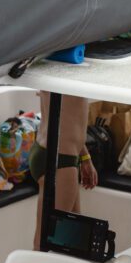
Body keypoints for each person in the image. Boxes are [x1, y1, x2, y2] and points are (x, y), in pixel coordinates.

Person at [32, 92, 99, 248]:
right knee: (48, 240)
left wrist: (85, 157)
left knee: (73, 236)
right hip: (61, 159)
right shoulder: (76, 71)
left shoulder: (59, 72)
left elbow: (67, 118)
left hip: (52, 152)